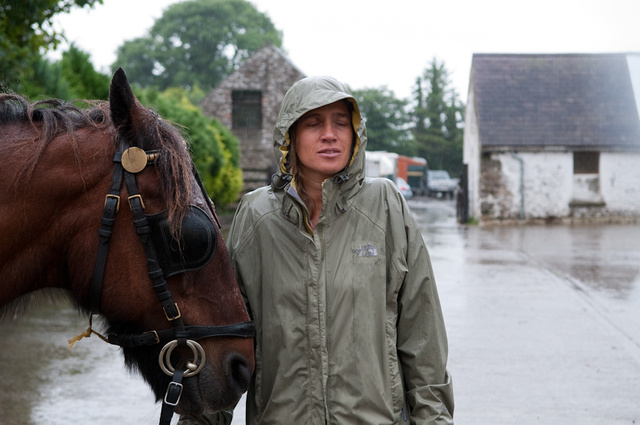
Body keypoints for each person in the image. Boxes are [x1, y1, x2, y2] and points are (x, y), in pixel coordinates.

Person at [181, 76, 454, 424]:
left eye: (341, 123)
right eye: (314, 124)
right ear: (289, 137)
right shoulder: (256, 216)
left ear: (355, 134)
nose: (330, 134)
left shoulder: (385, 206)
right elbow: (224, 336)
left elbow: (422, 331)